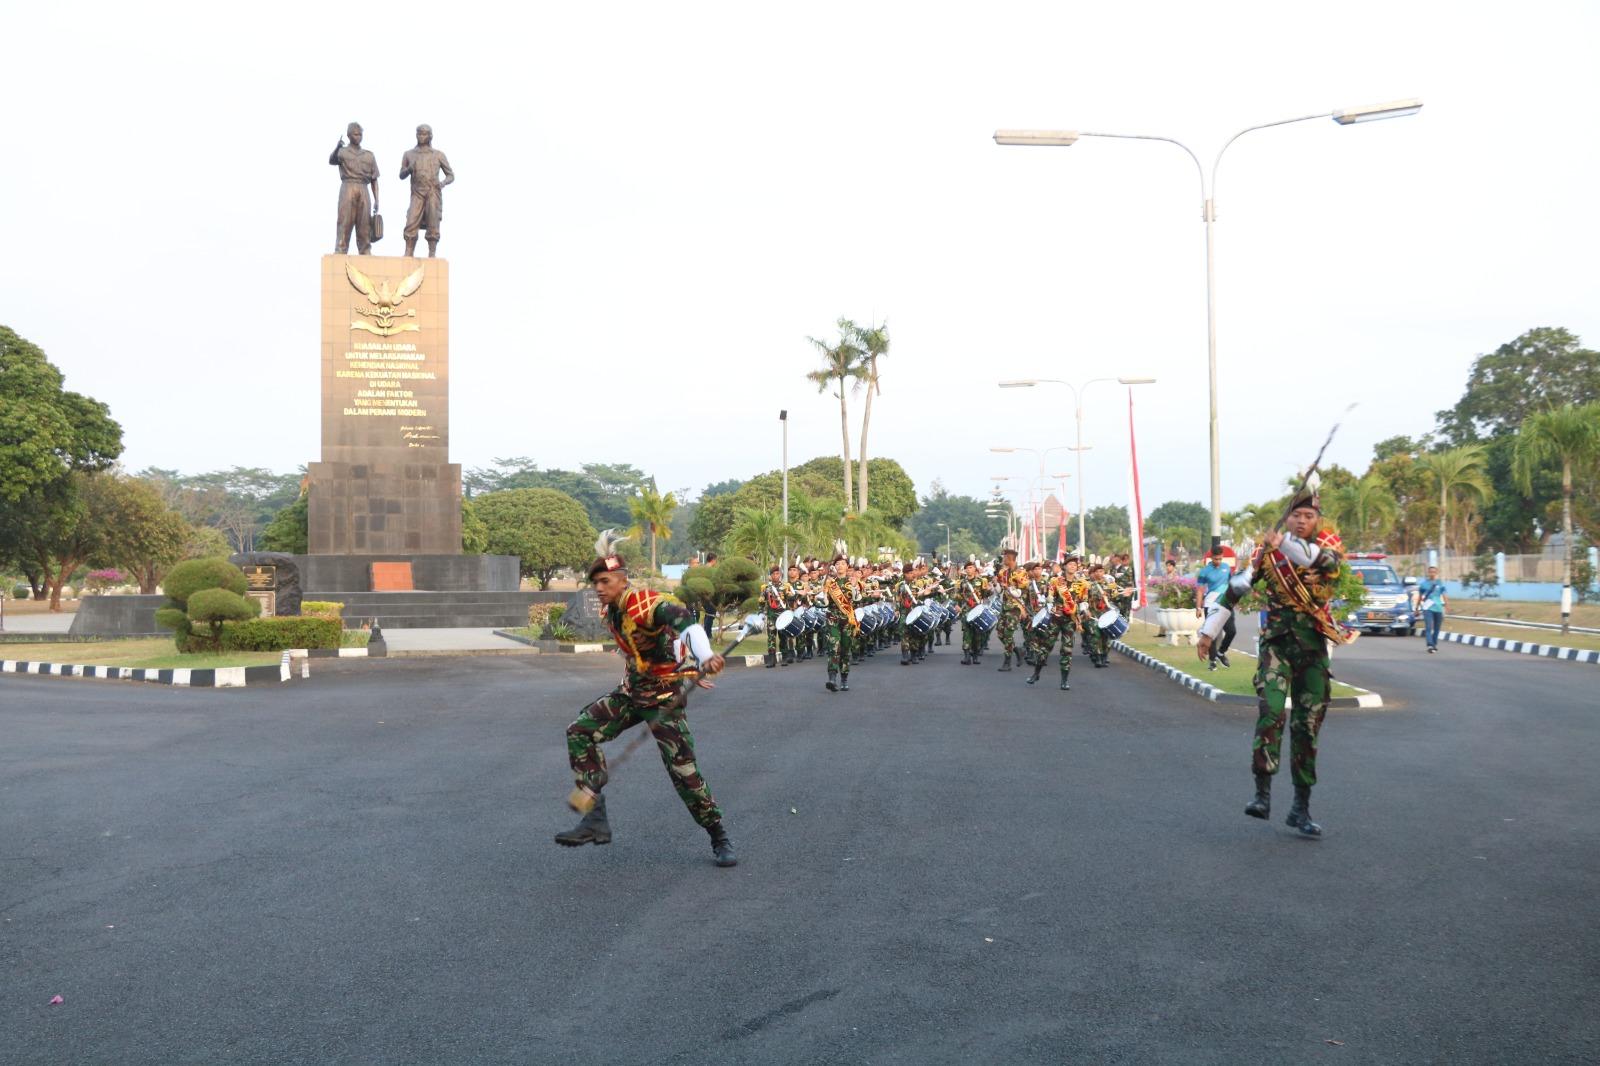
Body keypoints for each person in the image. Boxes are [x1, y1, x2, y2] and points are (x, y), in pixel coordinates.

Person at [555, 531, 736, 867]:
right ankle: (594, 817)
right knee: (580, 731)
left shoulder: (646, 604)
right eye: (594, 582)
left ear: (622, 581)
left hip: (664, 700)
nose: (598, 588)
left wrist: (706, 655)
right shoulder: (611, 611)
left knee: (684, 773)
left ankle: (718, 834)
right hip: (631, 693)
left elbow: (686, 623)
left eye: (605, 581)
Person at [1199, 486, 1357, 838]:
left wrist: (1280, 543)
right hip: (1276, 647)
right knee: (1271, 712)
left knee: (1307, 726)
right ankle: (1262, 794)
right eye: (1296, 516)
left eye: (1308, 516)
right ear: (1287, 518)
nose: (1302, 521)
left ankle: (1301, 807)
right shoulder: (1265, 555)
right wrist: (1209, 632)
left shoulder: (1327, 550)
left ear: (1316, 521)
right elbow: (1235, 590)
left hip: (1313, 650)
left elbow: (1319, 562)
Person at [398, 124, 455, 258]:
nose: (421, 136)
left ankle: (432, 253)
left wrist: (443, 183)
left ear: (430, 136)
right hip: (417, 192)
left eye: (424, 134)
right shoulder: (409, 154)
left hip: (432, 191)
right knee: (411, 221)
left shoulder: (438, 155)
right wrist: (408, 169)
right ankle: (409, 252)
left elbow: (451, 175)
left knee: (433, 222)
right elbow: (401, 175)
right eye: (419, 133)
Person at [329, 122, 379, 254]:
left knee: (364, 222)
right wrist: (337, 147)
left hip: (363, 188)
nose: (358, 137)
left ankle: (365, 250)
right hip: (348, 186)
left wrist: (377, 200)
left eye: (360, 134)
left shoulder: (369, 155)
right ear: (349, 135)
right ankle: (340, 248)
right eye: (356, 134)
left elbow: (374, 179)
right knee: (345, 220)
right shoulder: (343, 152)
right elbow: (332, 160)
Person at [1194, 548, 1237, 671]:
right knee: (1211, 635)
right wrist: (1198, 607)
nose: (1218, 561)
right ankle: (1212, 661)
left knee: (1231, 631)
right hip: (1210, 605)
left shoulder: (1227, 568)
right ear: (1211, 557)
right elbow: (1200, 590)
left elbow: (1231, 584)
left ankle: (1221, 653)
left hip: (1226, 604)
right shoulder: (1204, 571)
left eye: (1220, 558)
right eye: (1215, 559)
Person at [822, 554, 858, 692]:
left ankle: (844, 678)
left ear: (847, 566)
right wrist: (823, 594)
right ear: (834, 566)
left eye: (843, 563)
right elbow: (824, 602)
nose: (840, 566)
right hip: (832, 619)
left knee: (845, 649)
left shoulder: (853, 582)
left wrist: (854, 587)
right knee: (833, 647)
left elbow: (857, 599)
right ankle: (832, 678)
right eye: (837, 564)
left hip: (848, 620)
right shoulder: (830, 583)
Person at [1416, 565, 1448, 653]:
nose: (1432, 574)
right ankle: (1430, 645)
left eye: (1434, 572)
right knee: (1428, 627)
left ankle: (1434, 644)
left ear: (1437, 573)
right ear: (1428, 573)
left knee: (1437, 628)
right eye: (1430, 572)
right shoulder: (1423, 584)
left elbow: (1444, 595)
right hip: (1427, 608)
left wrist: (1447, 606)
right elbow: (1420, 597)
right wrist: (1417, 609)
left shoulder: (1440, 583)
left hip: (1438, 608)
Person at [762, 566, 787, 668]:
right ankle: (772, 659)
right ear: (770, 576)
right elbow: (761, 601)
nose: (775, 576)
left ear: (780, 575)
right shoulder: (766, 588)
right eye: (773, 574)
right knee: (771, 637)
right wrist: (761, 613)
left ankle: (784, 658)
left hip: (782, 616)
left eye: (777, 574)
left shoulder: (785, 587)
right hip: (771, 616)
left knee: (783, 636)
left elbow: (789, 601)